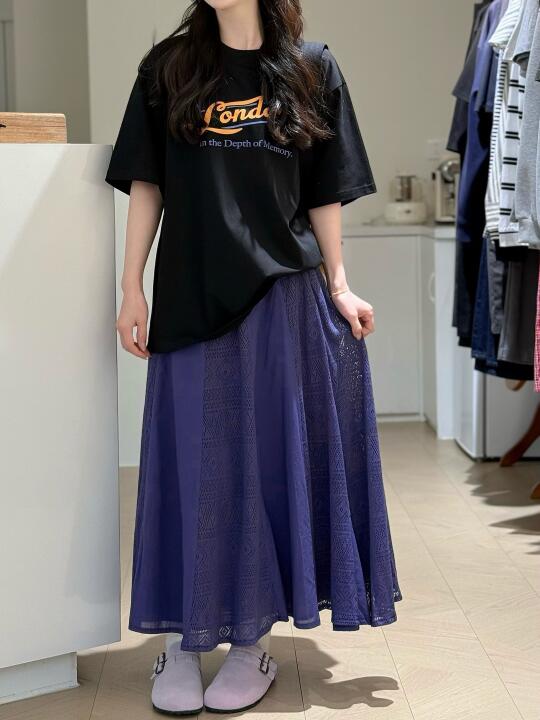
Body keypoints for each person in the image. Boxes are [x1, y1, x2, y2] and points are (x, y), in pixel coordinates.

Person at [105, 0, 402, 714]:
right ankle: (181, 641)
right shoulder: (168, 68)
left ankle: (249, 644)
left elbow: (324, 190)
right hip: (190, 296)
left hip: (282, 297)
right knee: (190, 470)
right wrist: (131, 286)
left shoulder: (311, 68)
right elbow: (148, 182)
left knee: (266, 470)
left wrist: (339, 283)